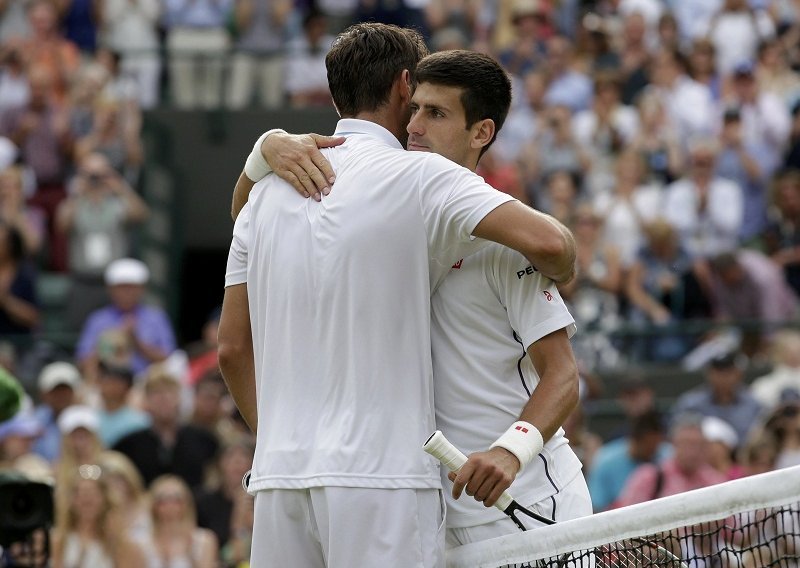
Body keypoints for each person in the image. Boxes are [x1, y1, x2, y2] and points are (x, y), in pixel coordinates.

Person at [218, 25, 576, 568]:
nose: (418, 126)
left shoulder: (267, 192)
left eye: (437, 114)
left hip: (284, 477)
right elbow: (555, 244)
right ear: (404, 87)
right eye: (420, 108)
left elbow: (231, 350)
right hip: (385, 481)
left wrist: (262, 151)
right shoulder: (421, 180)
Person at [113, 366, 219, 489]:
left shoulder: (205, 440)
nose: (164, 398)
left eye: (169, 392)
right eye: (156, 393)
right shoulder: (128, 445)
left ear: (179, 398)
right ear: (146, 400)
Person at [75, 258, 176, 382]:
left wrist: (135, 340)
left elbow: (168, 359)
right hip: (106, 385)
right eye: (121, 287)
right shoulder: (97, 319)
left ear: (142, 289)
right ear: (110, 289)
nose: (127, 292)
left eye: (132, 287)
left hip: (147, 386)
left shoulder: (156, 317)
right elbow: (83, 363)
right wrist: (112, 341)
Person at [671, 349, 763, 446]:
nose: (722, 377)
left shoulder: (753, 404)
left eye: (728, 372)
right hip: (701, 457)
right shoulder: (690, 403)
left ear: (739, 374)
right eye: (718, 372)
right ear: (708, 374)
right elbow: (675, 432)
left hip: (742, 456)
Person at [587, 409, 669, 511]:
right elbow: (597, 505)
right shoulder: (605, 460)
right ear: (636, 439)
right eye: (649, 447)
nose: (653, 451)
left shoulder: (666, 456)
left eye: (657, 445)